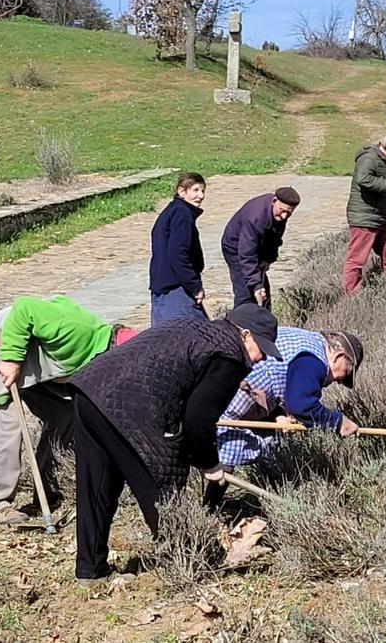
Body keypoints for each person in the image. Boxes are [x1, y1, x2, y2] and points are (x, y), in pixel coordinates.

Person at [68, 304, 282, 583]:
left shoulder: (199, 328)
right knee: (160, 488)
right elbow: (197, 422)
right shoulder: (229, 356)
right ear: (244, 334)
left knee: (97, 484)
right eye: (261, 348)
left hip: (91, 389)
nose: (261, 359)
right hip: (129, 409)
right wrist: (210, 463)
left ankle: (90, 570)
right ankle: (189, 566)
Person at [0, 295, 138, 526]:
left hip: (30, 362)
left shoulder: (95, 353)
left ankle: (46, 490)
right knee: (8, 426)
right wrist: (11, 359)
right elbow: (25, 308)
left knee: (65, 416)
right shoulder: (76, 330)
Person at [207, 328, 363, 508]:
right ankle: (210, 510)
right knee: (228, 443)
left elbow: (279, 374)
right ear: (339, 356)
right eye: (345, 373)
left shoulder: (310, 343)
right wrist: (337, 421)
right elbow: (301, 405)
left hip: (237, 380)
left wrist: (278, 416)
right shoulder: (314, 361)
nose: (339, 380)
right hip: (236, 390)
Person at [343, 135, 386, 295]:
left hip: (377, 219)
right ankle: (351, 295)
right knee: (357, 260)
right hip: (365, 218)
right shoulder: (369, 158)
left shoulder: (385, 164)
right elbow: (363, 179)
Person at [221, 187, 300, 309]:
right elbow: (246, 254)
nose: (284, 216)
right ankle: (239, 324)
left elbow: (274, 238)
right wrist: (256, 284)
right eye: (282, 210)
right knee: (246, 292)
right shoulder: (255, 218)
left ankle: (263, 323)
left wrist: (267, 260)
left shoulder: (279, 213)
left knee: (264, 294)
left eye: (289, 213)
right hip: (236, 248)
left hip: (257, 248)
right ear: (274, 201)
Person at [149, 172, 208, 325]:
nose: (200, 195)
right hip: (175, 288)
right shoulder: (182, 214)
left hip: (163, 286)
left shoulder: (173, 210)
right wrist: (194, 285)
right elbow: (178, 254)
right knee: (188, 337)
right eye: (195, 190)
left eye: (202, 190)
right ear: (182, 192)